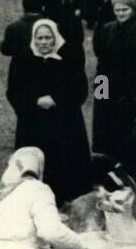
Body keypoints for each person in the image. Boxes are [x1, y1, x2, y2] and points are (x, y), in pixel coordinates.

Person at [9, 18, 91, 204]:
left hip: (64, 122)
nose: (44, 42)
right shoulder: (22, 60)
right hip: (33, 123)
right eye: (40, 38)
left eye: (48, 38)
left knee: (65, 166)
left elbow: (80, 90)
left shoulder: (69, 59)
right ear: (34, 39)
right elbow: (13, 91)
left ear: (55, 39)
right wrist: (34, 101)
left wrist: (56, 100)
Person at [91, 0, 136, 188]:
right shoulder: (108, 30)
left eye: (125, 10)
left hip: (134, 103)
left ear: (133, 9)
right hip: (111, 101)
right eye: (118, 10)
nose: (121, 14)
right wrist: (100, 97)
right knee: (113, 151)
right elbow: (101, 65)